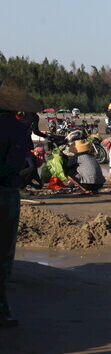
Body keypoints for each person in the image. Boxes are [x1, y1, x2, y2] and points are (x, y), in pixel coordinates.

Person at [0, 78, 40, 327]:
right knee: (3, 253)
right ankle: (2, 309)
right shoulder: (17, 128)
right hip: (4, 193)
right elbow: (14, 165)